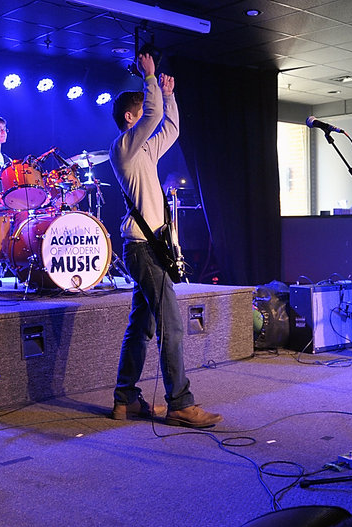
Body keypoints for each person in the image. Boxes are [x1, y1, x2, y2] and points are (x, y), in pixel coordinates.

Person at [109, 53, 222, 427]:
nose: (145, 118)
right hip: (142, 249)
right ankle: (179, 402)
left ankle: (125, 399)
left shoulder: (144, 151)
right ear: (130, 118)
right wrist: (150, 77)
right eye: (139, 111)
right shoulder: (123, 147)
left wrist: (168, 96)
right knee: (171, 325)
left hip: (149, 248)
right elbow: (153, 118)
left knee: (141, 325)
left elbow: (169, 128)